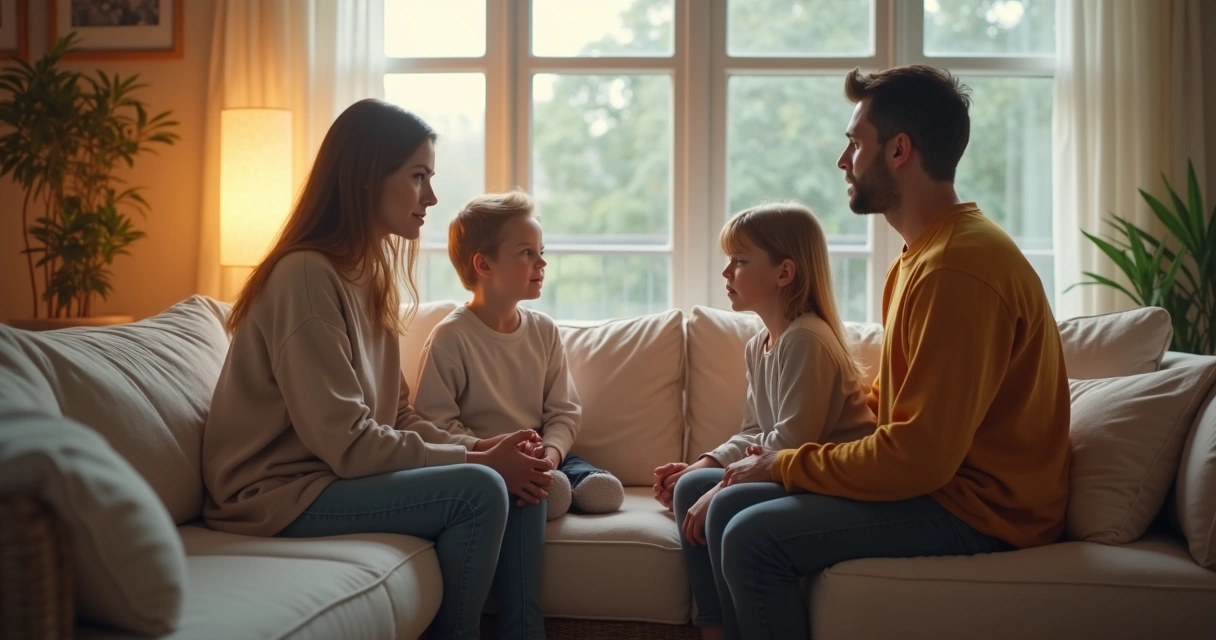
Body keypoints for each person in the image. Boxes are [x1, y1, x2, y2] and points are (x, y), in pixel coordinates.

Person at [696, 65, 1072, 640]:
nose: (843, 161)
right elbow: (905, 408)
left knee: (752, 536)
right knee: (725, 506)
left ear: (899, 150)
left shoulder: (957, 267)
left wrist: (784, 462)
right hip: (942, 485)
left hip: (981, 509)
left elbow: (920, 457)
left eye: (854, 143)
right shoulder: (920, 256)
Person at [201, 99, 554, 640]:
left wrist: (487, 449)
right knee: (479, 490)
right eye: (418, 177)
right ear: (367, 178)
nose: (431, 198)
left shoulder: (369, 274)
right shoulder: (305, 277)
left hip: (326, 477)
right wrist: (473, 460)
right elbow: (348, 443)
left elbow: (397, 414)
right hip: (274, 495)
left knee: (517, 476)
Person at [650, 202, 876, 639]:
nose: (726, 273)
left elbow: (791, 441)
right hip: (788, 469)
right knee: (689, 490)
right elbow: (755, 432)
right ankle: (715, 629)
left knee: (715, 500)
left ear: (784, 273)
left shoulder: (806, 339)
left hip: (834, 481)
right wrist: (702, 467)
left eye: (739, 261)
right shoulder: (760, 344)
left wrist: (720, 487)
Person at [413, 190, 626, 640]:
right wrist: (492, 451)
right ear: (483, 265)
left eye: (541, 252)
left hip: (540, 449)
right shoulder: (451, 337)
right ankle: (524, 627)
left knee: (559, 466)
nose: (541, 263)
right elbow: (433, 424)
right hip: (490, 462)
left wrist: (551, 452)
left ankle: (575, 480)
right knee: (527, 487)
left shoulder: (544, 331)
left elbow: (564, 411)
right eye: (527, 253)